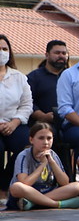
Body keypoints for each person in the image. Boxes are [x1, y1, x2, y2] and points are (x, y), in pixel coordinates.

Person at [7, 122, 79, 210]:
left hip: (46, 190)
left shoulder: (53, 155)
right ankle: (56, 204)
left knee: (77, 186)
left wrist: (51, 162)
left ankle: (33, 203)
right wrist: (43, 164)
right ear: (31, 140)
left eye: (49, 138)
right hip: (28, 191)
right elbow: (25, 183)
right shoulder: (24, 155)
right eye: (41, 138)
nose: (45, 142)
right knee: (16, 187)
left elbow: (64, 182)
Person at [0, 34, 33, 195]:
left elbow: (27, 105)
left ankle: (4, 186)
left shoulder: (19, 77)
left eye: (4, 49)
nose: (2, 52)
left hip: (15, 124)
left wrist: (14, 122)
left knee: (29, 145)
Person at [27, 39, 69, 125]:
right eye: (57, 53)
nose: (61, 56)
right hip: (42, 125)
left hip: (71, 123)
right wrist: (43, 116)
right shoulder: (33, 77)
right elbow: (27, 102)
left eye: (64, 53)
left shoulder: (72, 77)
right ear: (47, 55)